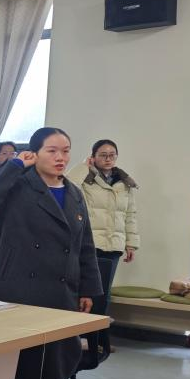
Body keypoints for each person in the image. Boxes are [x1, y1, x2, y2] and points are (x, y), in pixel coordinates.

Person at [0, 127, 101, 379]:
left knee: (54, 360)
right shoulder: (17, 185)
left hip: (61, 291)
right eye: (52, 151)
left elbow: (84, 245)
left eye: (65, 150)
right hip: (19, 289)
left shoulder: (73, 193)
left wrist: (88, 288)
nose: (60, 157)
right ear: (35, 153)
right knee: (21, 361)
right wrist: (16, 164)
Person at [80, 138, 140, 357]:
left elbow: (130, 215)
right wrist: (83, 167)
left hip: (113, 246)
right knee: (86, 293)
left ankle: (99, 341)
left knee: (103, 295)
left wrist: (131, 244)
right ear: (93, 157)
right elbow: (66, 184)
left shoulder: (124, 183)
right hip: (90, 245)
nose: (108, 159)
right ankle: (80, 339)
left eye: (112, 155)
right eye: (103, 155)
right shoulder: (86, 179)